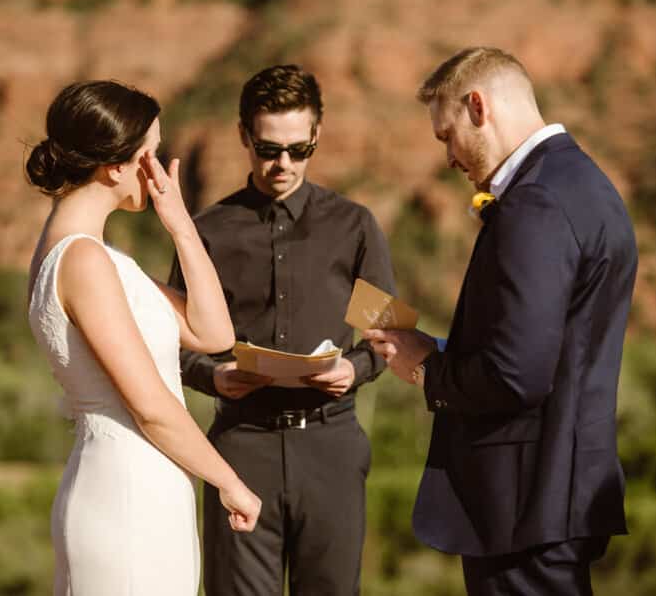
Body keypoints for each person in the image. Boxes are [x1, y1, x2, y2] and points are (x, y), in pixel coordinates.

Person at [365, 47, 638, 595]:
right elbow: (554, 352)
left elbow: (517, 375)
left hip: (523, 503)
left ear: (477, 106)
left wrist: (426, 370)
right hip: (561, 492)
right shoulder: (585, 186)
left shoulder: (534, 203)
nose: (447, 158)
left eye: (446, 135)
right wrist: (442, 347)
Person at [25, 80, 261, 596]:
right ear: (115, 166)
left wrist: (180, 224)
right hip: (126, 497)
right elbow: (150, 405)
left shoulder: (100, 259)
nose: (158, 170)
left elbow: (213, 331)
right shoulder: (84, 261)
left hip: (143, 490)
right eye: (151, 154)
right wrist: (230, 483)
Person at [168, 64, 396, 595]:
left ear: (317, 135)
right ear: (243, 135)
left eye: (299, 149)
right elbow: (173, 345)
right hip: (241, 449)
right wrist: (213, 378)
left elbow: (386, 337)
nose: (283, 164)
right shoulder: (206, 232)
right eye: (269, 149)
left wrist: (354, 368)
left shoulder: (354, 226)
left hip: (332, 445)